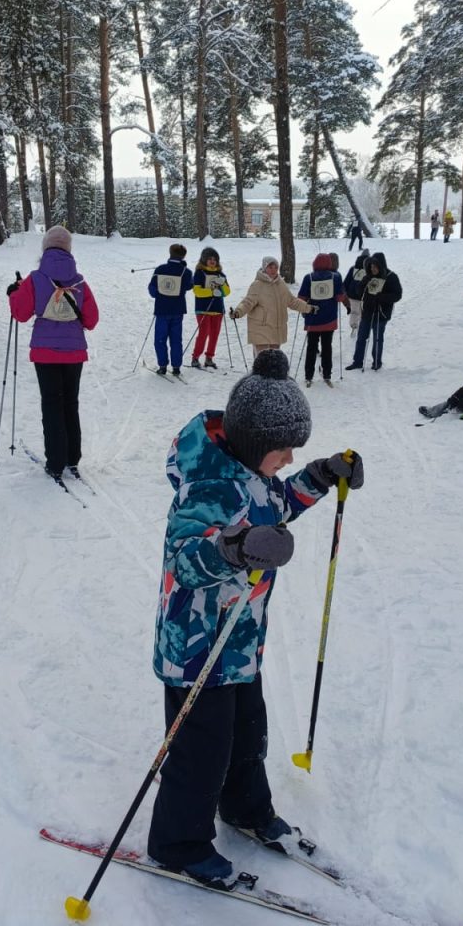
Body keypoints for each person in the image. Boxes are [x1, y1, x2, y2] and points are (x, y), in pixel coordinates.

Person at [147, 349, 364, 886]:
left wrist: (322, 475)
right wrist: (235, 548)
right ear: (250, 441)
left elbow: (277, 503)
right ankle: (176, 842)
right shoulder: (210, 484)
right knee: (201, 751)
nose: (289, 458)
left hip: (239, 641)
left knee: (247, 734)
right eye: (285, 449)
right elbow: (182, 557)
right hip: (198, 647)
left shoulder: (251, 470)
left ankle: (245, 808)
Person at [7, 225, 100, 481]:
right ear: (69, 249)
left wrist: (14, 293)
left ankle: (56, 461)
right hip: (74, 353)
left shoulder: (35, 279)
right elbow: (91, 320)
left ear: (45, 248)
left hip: (45, 353)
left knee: (51, 404)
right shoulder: (80, 281)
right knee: (71, 402)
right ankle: (72, 458)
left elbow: (21, 313)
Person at [230, 256, 315, 359]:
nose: (273, 270)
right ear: (264, 268)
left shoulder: (281, 284)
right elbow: (247, 302)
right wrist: (237, 312)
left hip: (277, 329)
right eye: (270, 267)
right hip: (261, 329)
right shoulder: (257, 285)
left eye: (275, 267)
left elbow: (292, 301)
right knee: (262, 361)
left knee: (275, 361)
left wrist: (309, 308)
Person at [345, 252, 402, 372]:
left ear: (381, 265)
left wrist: (382, 297)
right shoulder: (368, 276)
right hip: (367, 312)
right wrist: (362, 285)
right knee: (361, 338)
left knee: (377, 338)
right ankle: (357, 361)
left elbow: (397, 295)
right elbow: (359, 292)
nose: (372, 269)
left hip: (381, 314)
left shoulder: (391, 277)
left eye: (375, 266)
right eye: (371, 266)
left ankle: (377, 362)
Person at [298, 252, 347, 387]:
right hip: (329, 319)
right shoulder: (335, 277)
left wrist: (304, 309)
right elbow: (340, 298)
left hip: (312, 319)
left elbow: (301, 298)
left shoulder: (308, 277)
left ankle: (309, 376)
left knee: (311, 347)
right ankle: (327, 374)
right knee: (327, 347)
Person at [148, 243, 193, 376]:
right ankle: (176, 367)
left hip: (162, 309)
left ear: (170, 253)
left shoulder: (160, 269)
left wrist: (160, 296)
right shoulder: (186, 272)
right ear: (183, 256)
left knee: (160, 339)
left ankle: (162, 365)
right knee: (176, 339)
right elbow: (190, 286)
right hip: (178, 309)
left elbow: (152, 290)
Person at [190, 247, 230, 369]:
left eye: (215, 259)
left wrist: (222, 286)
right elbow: (197, 291)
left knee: (214, 334)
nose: (212, 261)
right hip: (203, 309)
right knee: (204, 333)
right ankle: (195, 357)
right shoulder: (199, 273)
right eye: (209, 259)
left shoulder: (221, 274)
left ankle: (209, 358)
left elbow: (227, 291)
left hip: (217, 309)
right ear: (204, 260)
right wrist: (212, 291)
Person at [343, 249, 369, 341]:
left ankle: (354, 327)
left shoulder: (353, 268)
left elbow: (346, 281)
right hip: (364, 296)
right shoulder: (370, 269)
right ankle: (362, 330)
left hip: (352, 295)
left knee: (354, 312)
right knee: (363, 313)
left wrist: (345, 291)